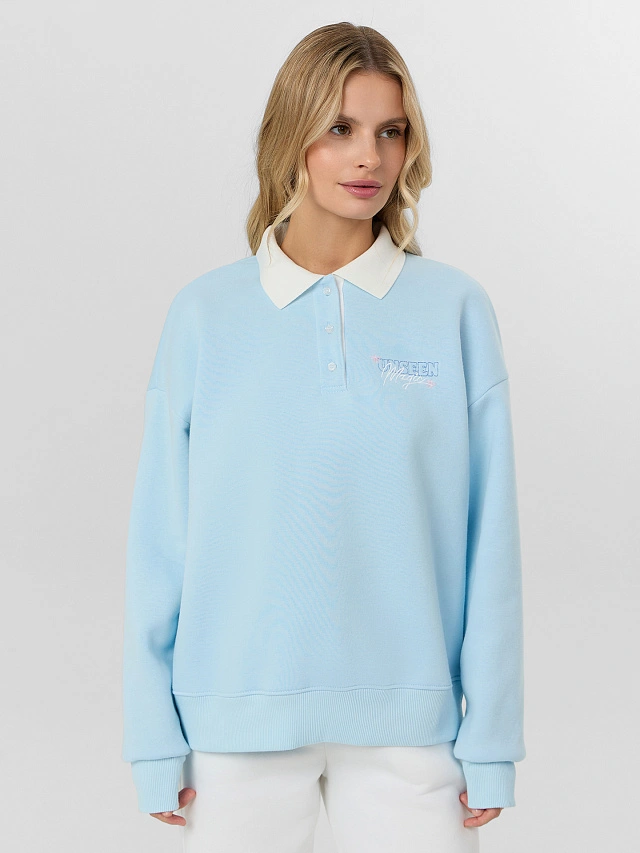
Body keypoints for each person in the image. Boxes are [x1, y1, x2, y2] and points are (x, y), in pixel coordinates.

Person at [121, 21, 525, 853]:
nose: (369, 157)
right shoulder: (205, 316)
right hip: (234, 731)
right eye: (341, 128)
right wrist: (152, 736)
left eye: (391, 131)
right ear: (292, 136)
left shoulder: (453, 309)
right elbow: (161, 542)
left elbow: (491, 543)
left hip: (414, 734)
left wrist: (492, 738)